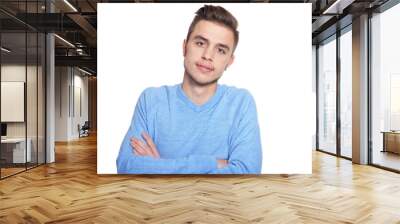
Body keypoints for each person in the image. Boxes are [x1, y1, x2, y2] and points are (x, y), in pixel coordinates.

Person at [116, 5, 262, 174]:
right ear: (185, 47)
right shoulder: (151, 100)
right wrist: (213, 163)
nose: (208, 55)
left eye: (220, 50)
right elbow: (127, 166)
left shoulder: (241, 103)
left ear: (229, 61)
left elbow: (247, 172)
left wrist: (160, 166)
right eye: (200, 43)